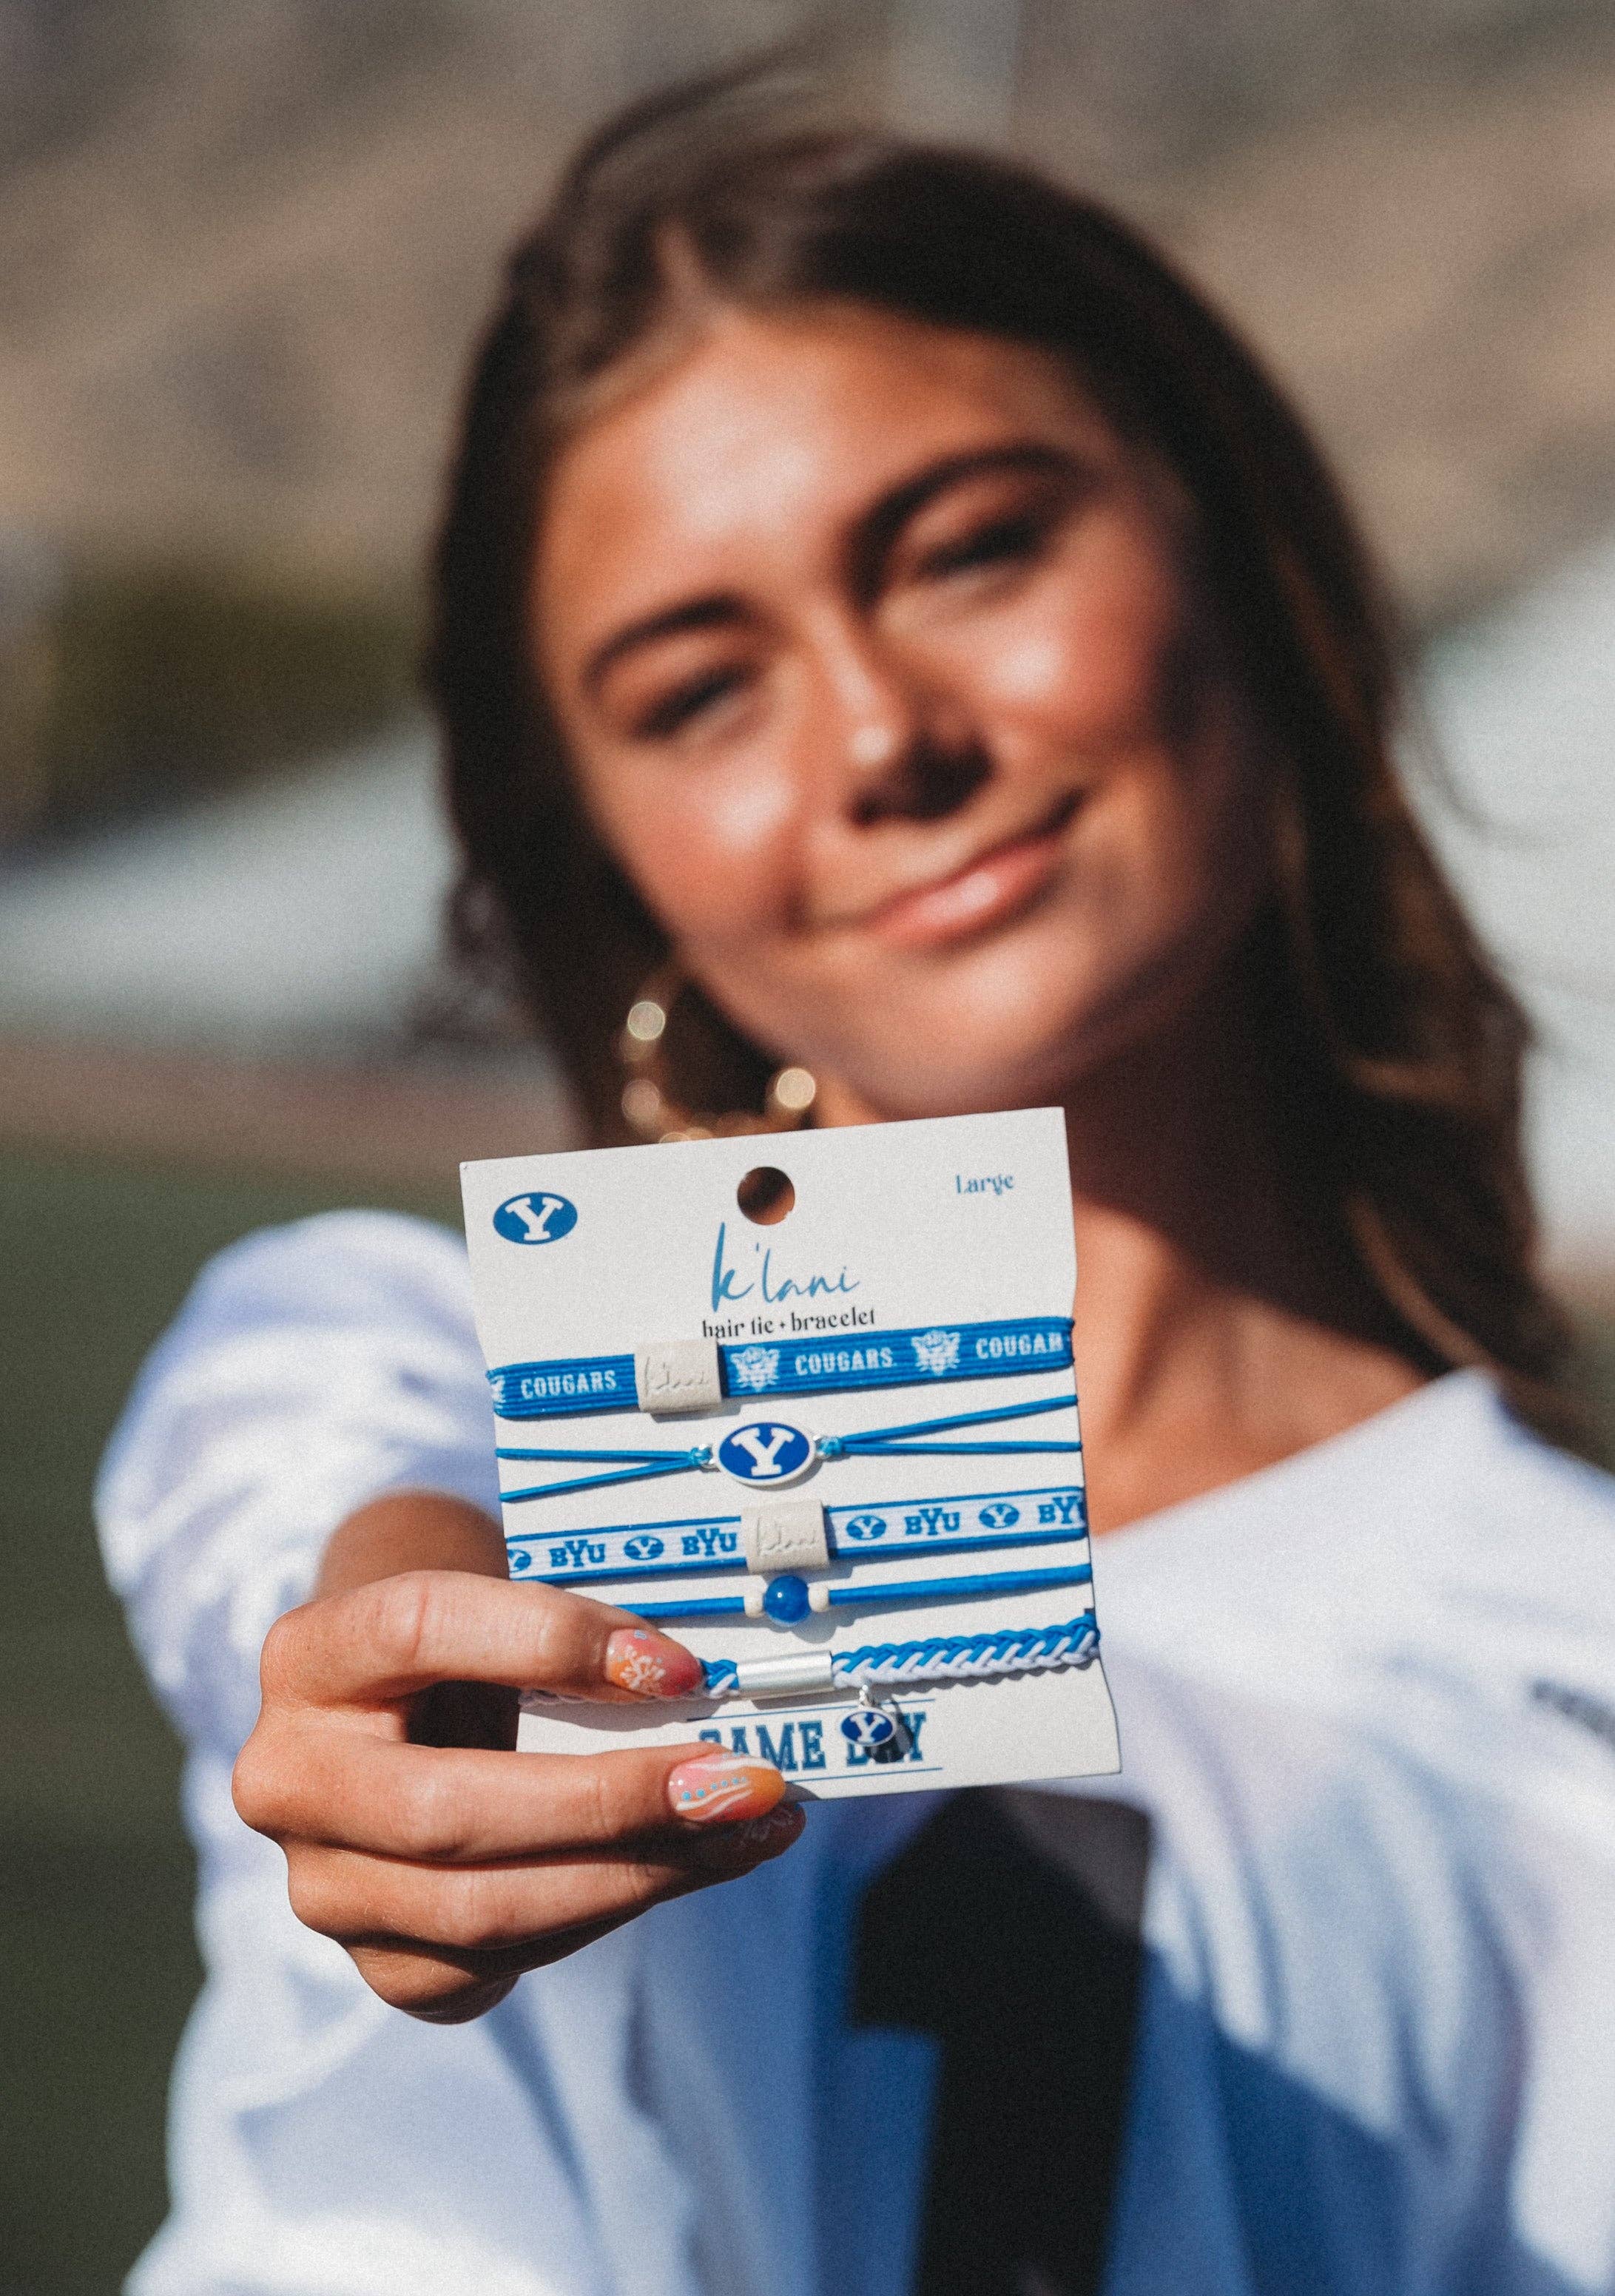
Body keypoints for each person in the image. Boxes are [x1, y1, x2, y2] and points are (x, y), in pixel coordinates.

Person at [98, 75, 1615, 2296]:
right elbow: (309, 1434)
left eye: (975, 548)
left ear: (1238, 554)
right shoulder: (432, 1388)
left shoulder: (1569, 1651)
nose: (881, 735)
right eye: (700, 691)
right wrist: (400, 1646)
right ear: (610, 856)